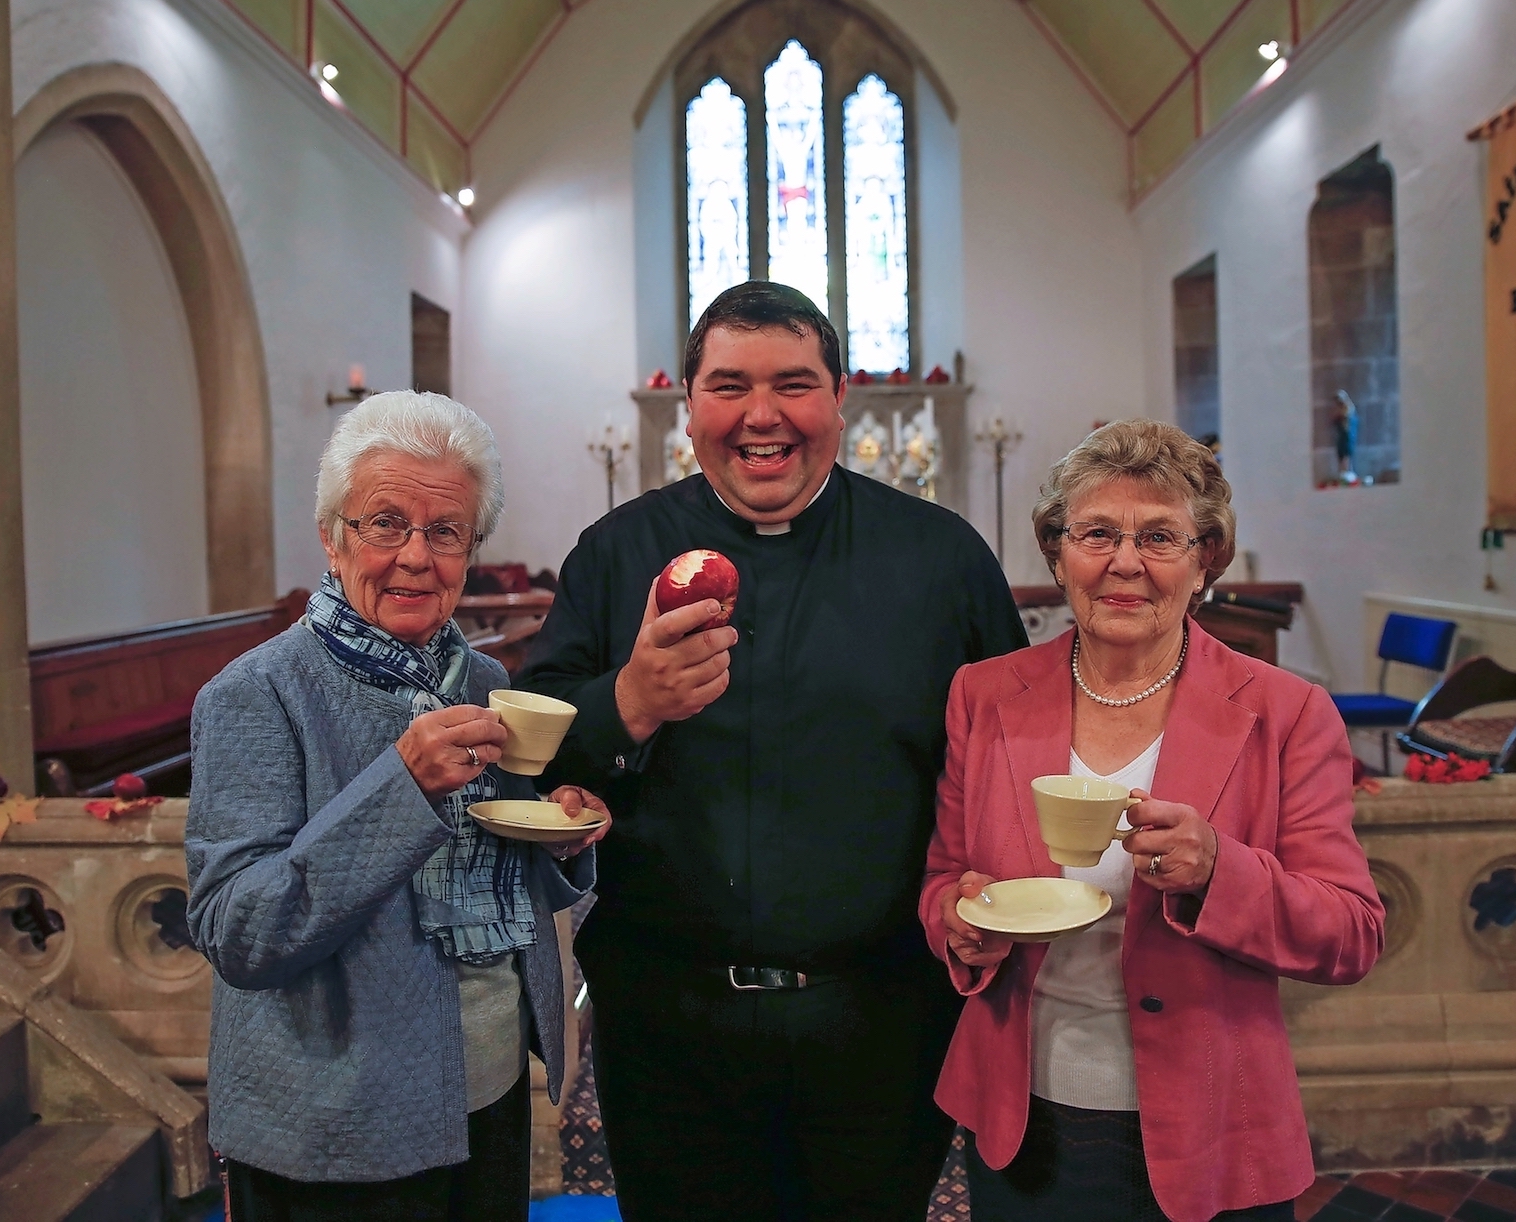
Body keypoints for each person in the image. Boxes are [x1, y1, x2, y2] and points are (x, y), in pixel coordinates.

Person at [516, 281, 1028, 1221]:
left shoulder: (941, 558)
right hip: (669, 1025)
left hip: (880, 1021)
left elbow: (1012, 755)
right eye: (729, 386)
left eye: (793, 384)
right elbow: (533, 751)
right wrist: (626, 705)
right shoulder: (615, 552)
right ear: (689, 407)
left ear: (841, 396)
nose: (762, 417)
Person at [922, 419, 1383, 1222]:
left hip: (1214, 1121)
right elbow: (943, 880)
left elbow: (1351, 933)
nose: (1125, 562)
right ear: (1058, 552)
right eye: (1096, 532)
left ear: (1205, 558)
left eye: (1160, 536)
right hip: (1025, 1117)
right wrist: (961, 927)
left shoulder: (1285, 712)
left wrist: (1218, 870)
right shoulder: (986, 695)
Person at [186, 391, 610, 1221]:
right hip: (333, 1123)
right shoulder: (256, 694)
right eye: (386, 523)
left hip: (487, 1094)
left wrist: (561, 841)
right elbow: (239, 932)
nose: (416, 556)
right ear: (333, 537)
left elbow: (504, 864)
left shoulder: (487, 684)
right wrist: (401, 787)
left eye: (445, 531)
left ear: (471, 551)